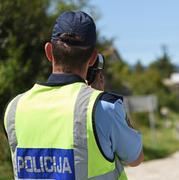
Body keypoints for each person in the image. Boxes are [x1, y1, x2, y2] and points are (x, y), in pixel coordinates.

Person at [3, 11, 143, 180]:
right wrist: (97, 96)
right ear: (92, 58)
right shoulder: (103, 107)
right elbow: (135, 158)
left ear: (49, 51)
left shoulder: (15, 108)